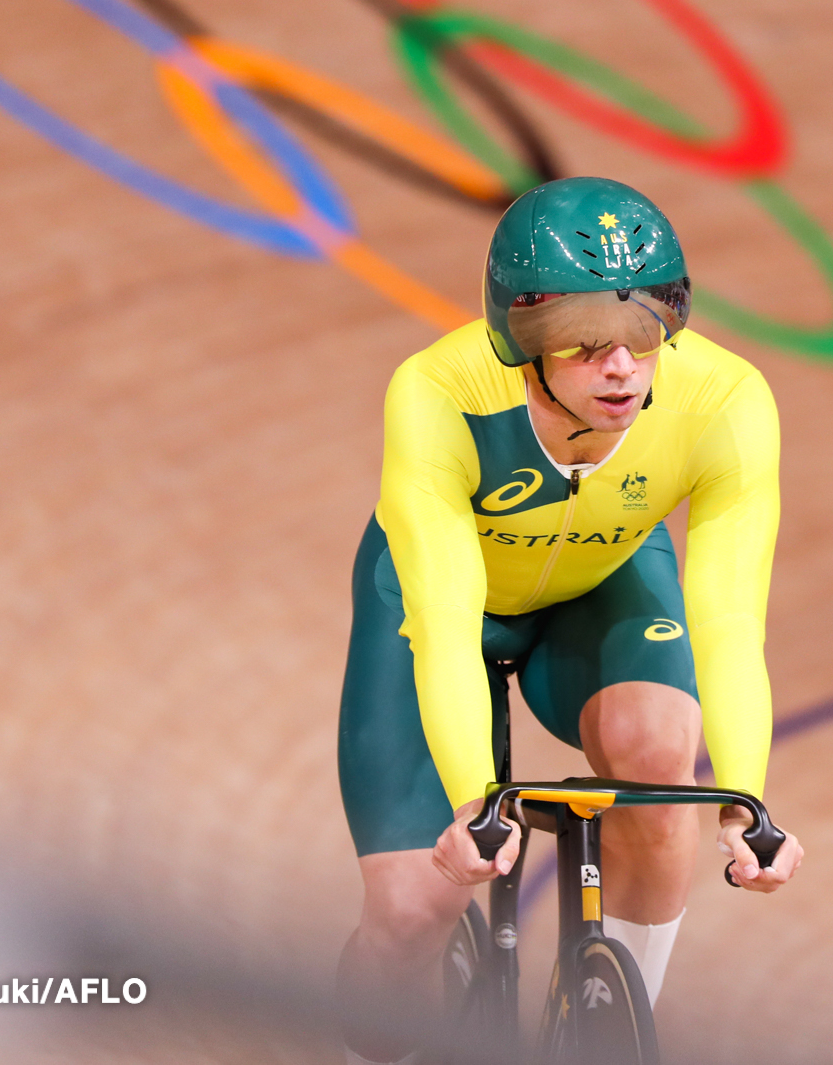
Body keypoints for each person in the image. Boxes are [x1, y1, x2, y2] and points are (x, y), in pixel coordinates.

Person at [335, 176, 802, 1064]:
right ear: (523, 342)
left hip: (603, 586)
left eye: (642, 332)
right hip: (436, 605)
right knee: (409, 912)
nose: (622, 366)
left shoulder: (728, 402)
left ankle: (612, 1030)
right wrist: (477, 796)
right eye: (584, 346)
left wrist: (747, 799)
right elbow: (442, 619)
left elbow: (732, 623)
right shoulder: (438, 392)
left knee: (663, 758)